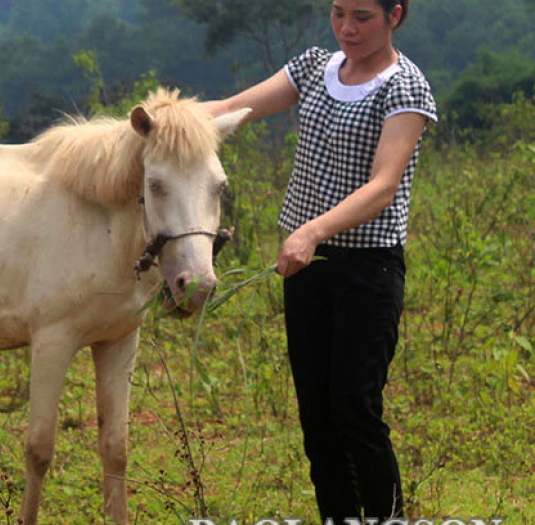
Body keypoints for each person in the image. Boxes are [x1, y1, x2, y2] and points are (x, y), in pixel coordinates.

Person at [202, 0, 437, 521]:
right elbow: (237, 107)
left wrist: (313, 230)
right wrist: (166, 121)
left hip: (367, 269)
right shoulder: (314, 66)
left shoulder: (406, 87)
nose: (347, 29)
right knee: (317, 416)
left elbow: (383, 186)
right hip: (307, 269)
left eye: (362, 17)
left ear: (394, 15)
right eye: (338, 14)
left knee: (354, 408)